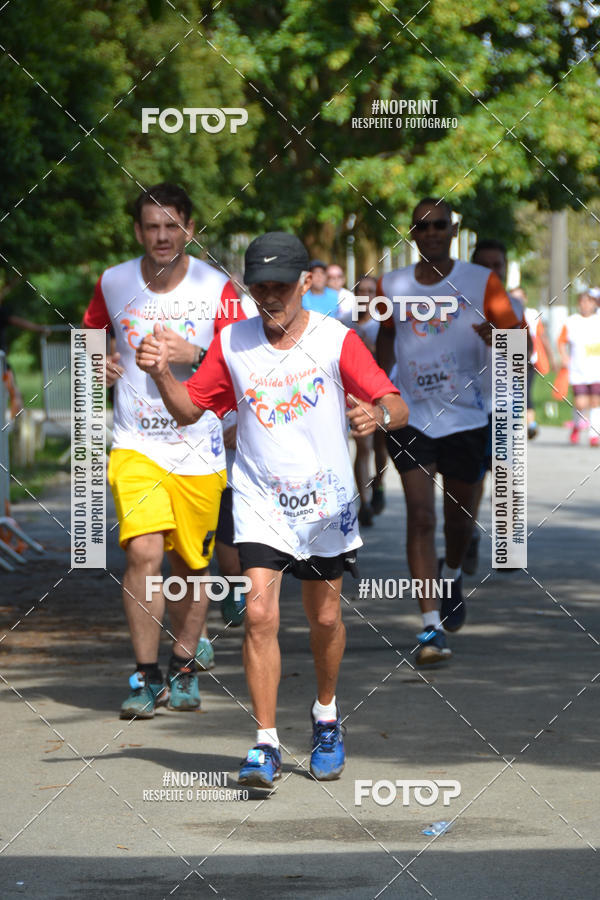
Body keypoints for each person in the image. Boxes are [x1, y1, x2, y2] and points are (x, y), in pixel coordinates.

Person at [136, 231, 408, 787]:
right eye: (260, 288)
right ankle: (265, 743)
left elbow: (395, 402)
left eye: (281, 286)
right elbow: (190, 411)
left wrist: (377, 418)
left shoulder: (336, 340)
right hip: (260, 500)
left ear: (305, 283)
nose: (270, 298)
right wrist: (163, 372)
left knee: (325, 617)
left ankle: (326, 716)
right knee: (259, 615)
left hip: (325, 505)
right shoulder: (233, 343)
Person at [82, 182, 243, 718]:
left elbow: (243, 361)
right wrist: (96, 366)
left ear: (190, 230)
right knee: (144, 552)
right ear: (137, 231)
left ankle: (182, 667)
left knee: (190, 566)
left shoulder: (217, 287)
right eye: (151, 226)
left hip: (199, 445)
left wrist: (193, 353)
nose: (161, 236)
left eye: (172, 226)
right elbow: (90, 341)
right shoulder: (114, 282)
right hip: (136, 444)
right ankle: (146, 676)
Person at [377, 198, 523, 665]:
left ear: (453, 230)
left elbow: (520, 352)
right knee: (420, 518)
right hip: (411, 415)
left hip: (467, 417)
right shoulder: (393, 284)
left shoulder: (483, 283)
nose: (432, 233)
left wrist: (499, 337)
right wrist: (377, 391)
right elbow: (384, 339)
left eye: (440, 225)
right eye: (423, 227)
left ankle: (453, 572)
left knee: (457, 521)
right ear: (413, 234)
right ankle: (429, 627)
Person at [462, 240, 527, 575]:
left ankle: (509, 544)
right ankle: (469, 534)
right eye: (483, 264)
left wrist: (504, 337)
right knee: (473, 479)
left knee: (506, 473)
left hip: (506, 401)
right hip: (467, 404)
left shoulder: (514, 305)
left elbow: (524, 358)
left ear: (504, 268)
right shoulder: (458, 303)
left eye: (497, 264)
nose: (491, 270)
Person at [351, 275, 389, 524]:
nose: (365, 295)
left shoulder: (383, 325)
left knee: (380, 447)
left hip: (381, 392)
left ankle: (379, 485)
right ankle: (363, 502)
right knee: (362, 447)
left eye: (370, 291)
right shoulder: (344, 323)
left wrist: (371, 349)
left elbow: (389, 358)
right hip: (355, 395)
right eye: (360, 291)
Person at [511, 285, 556, 440]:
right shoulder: (504, 313)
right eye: (513, 296)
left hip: (529, 360)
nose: (517, 300)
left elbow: (541, 336)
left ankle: (530, 424)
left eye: (519, 296)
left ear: (525, 298)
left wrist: (551, 357)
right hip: (506, 361)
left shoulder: (532, 314)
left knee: (525, 392)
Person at [558, 291, 600, 446]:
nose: (586, 305)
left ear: (595, 303)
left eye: (589, 302)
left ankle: (594, 434)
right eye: (583, 301)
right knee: (581, 403)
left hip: (596, 368)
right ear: (578, 304)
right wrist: (564, 356)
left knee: (596, 401)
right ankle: (577, 425)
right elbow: (561, 341)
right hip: (578, 368)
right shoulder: (571, 321)